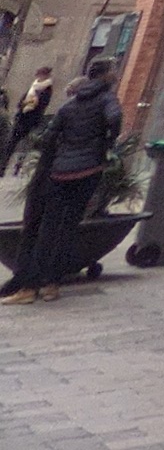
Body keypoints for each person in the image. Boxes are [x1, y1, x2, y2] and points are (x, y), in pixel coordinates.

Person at [3, 49, 121, 301]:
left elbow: (48, 137)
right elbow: (115, 119)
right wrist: (106, 143)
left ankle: (30, 286)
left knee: (48, 228)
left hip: (60, 173)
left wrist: (61, 152)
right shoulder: (107, 100)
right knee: (69, 227)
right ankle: (51, 284)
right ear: (104, 76)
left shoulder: (68, 107)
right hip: (88, 170)